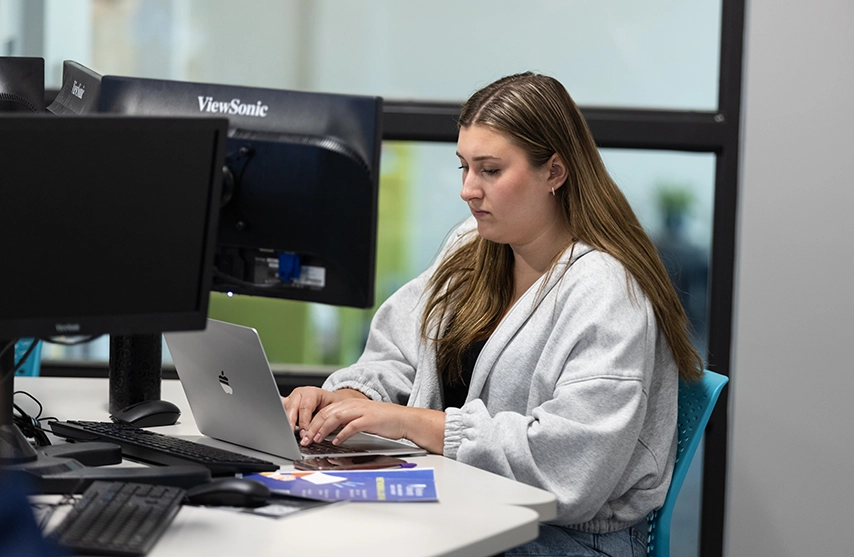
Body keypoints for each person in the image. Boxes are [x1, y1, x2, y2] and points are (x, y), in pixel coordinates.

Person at [283, 72, 703, 557]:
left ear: (555, 173)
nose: (468, 189)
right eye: (464, 166)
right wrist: (349, 399)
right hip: (467, 499)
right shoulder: (474, 244)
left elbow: (569, 468)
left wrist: (410, 422)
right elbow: (398, 350)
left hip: (562, 536)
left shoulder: (608, 292)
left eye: (489, 170)